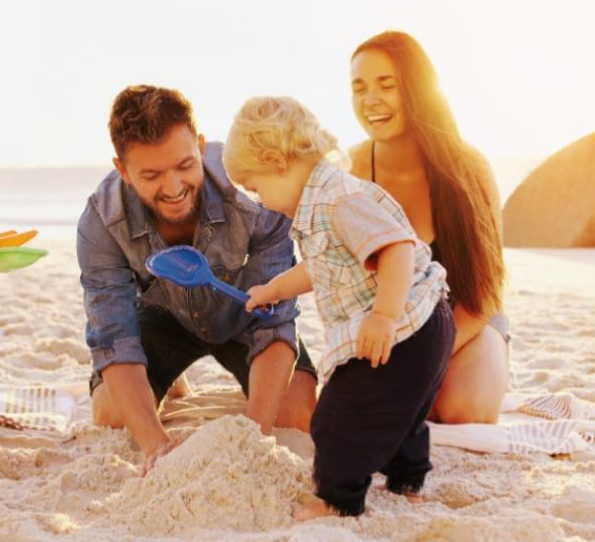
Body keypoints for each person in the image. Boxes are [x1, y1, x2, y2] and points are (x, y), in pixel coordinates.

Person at [224, 96, 454, 518]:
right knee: (402, 410)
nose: (261, 201)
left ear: (276, 160)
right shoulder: (319, 206)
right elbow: (321, 264)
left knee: (336, 418)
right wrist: (274, 289)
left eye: (256, 188)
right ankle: (407, 481)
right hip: (423, 324)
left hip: (403, 326)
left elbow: (397, 248)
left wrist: (383, 315)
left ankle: (337, 499)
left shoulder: (337, 199)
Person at [77, 85, 318, 473]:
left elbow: (275, 320)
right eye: (152, 175)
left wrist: (251, 439)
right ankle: (172, 380)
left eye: (185, 166)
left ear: (201, 147)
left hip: (245, 311)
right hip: (163, 318)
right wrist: (156, 445)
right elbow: (112, 337)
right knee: (111, 414)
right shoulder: (101, 221)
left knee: (297, 413)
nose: (173, 188)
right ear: (122, 170)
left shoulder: (253, 191)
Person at [348, 31, 509, 424]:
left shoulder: (468, 167)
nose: (371, 100)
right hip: (389, 334)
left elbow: (486, 291)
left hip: (466, 322)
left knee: (459, 408)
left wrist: (427, 358)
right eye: (359, 87)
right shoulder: (349, 170)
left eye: (387, 84)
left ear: (417, 88)